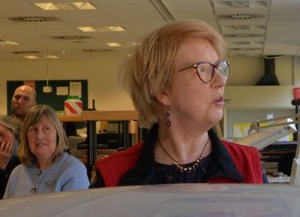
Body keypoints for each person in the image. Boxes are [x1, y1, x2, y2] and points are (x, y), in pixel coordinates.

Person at [92, 19, 265, 187]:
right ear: (162, 90)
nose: (221, 81)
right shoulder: (113, 176)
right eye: (203, 69)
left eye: (220, 68)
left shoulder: (249, 165)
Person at [4, 105, 89, 197]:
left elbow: (75, 211)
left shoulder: (74, 170)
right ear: (26, 136)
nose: (39, 136)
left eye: (46, 129)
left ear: (57, 133)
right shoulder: (17, 173)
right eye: (33, 129)